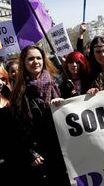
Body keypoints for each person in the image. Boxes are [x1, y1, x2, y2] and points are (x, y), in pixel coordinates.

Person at [9, 45, 70, 185]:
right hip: (42, 152)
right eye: (31, 59)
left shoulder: (57, 82)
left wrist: (64, 102)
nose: (35, 61)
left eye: (38, 58)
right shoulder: (18, 91)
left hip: (64, 145)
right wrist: (32, 152)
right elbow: (18, 127)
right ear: (23, 63)